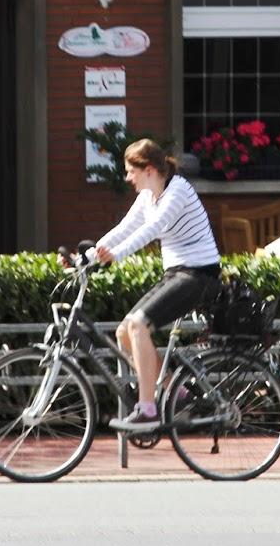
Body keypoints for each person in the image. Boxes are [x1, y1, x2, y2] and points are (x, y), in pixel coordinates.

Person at [94, 138, 221, 432]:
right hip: (176, 273)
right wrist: (86, 256)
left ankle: (148, 409)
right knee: (125, 332)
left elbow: (154, 229)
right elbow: (125, 228)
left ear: (149, 169)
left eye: (131, 171)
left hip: (199, 274)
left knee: (138, 325)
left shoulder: (178, 191)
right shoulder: (148, 196)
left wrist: (116, 255)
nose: (128, 178)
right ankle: (176, 393)